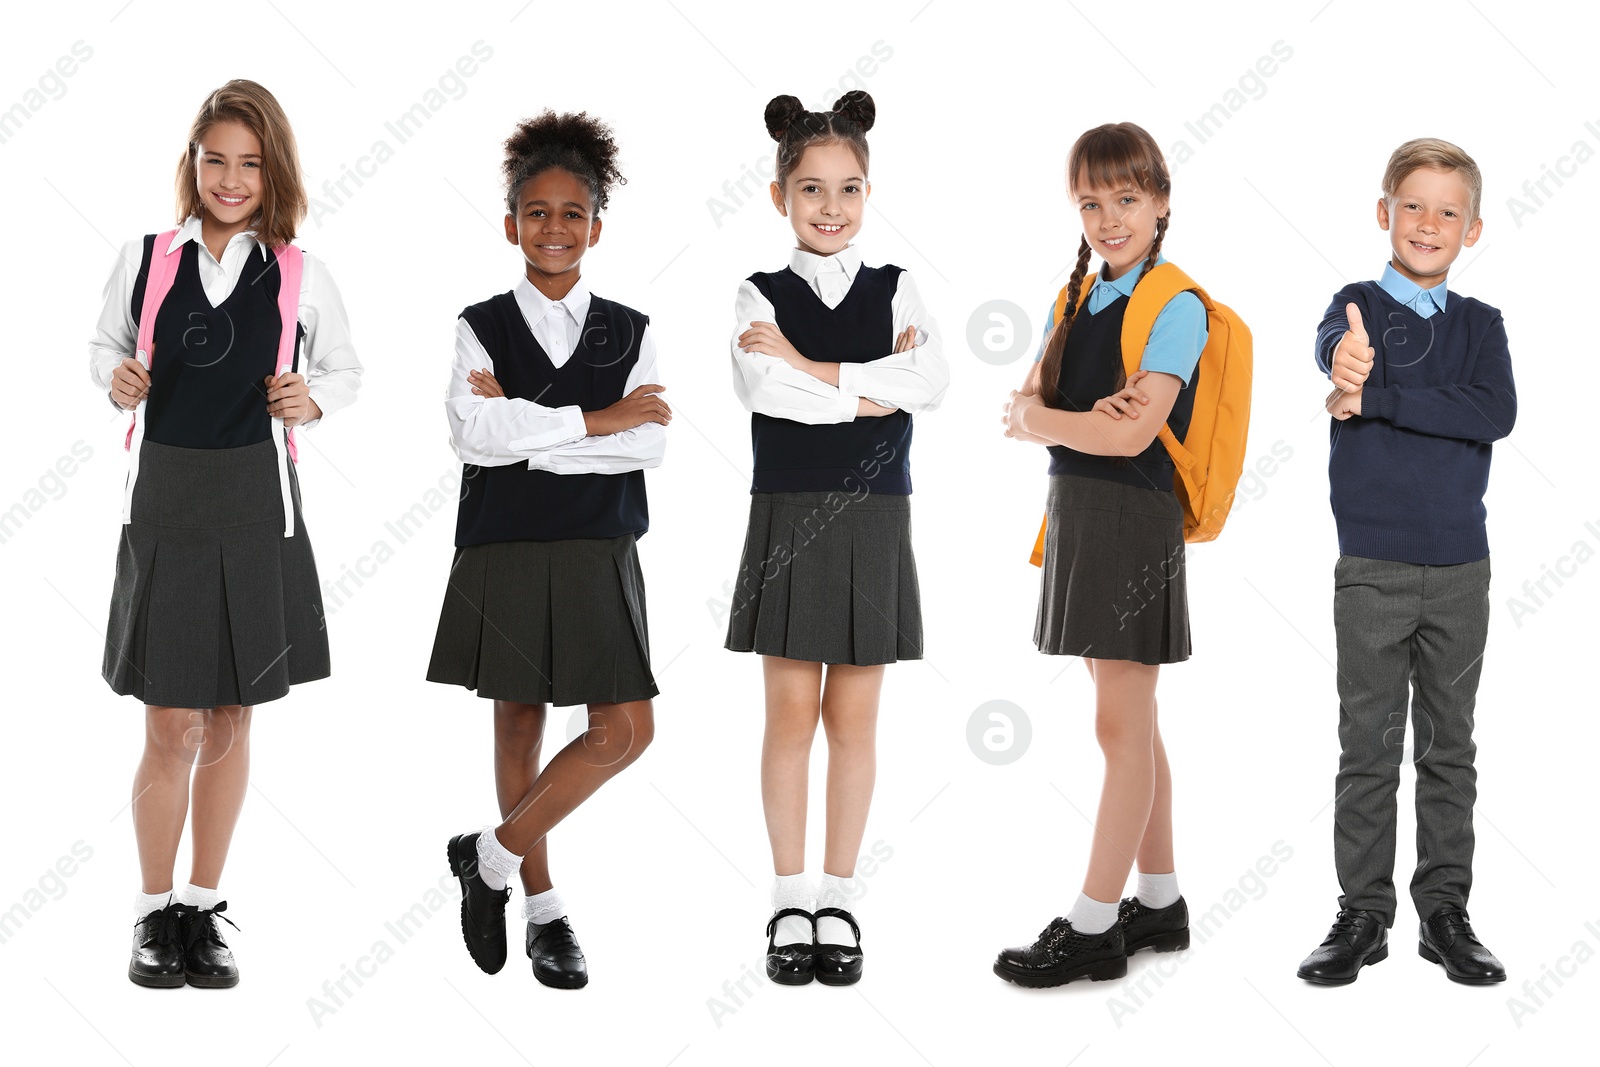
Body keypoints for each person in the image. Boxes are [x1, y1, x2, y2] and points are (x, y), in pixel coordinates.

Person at [90, 79, 361, 988]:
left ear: (272, 171)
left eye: (250, 162)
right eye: (216, 159)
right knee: (170, 718)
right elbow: (104, 348)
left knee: (234, 714)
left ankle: (204, 908)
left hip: (256, 501)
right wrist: (119, 377)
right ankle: (150, 911)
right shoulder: (145, 258)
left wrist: (312, 398)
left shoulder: (297, 270)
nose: (231, 177)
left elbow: (344, 369)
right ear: (193, 163)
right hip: (164, 496)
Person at [431, 110, 667, 990]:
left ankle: (487, 857)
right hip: (507, 545)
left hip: (601, 545)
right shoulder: (479, 324)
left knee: (626, 729)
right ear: (510, 223)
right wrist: (598, 420)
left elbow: (650, 446)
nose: (555, 228)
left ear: (597, 225)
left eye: (573, 213)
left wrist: (525, 430)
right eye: (537, 212)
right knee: (520, 720)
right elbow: (471, 433)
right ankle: (542, 907)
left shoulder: (632, 327)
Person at [728, 90, 946, 986]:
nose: (830, 206)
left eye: (848, 188)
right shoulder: (755, 291)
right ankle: (787, 897)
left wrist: (811, 368)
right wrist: (866, 393)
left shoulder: (898, 285)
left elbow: (930, 379)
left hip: (873, 514)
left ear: (868, 191)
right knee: (790, 716)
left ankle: (840, 897)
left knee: (855, 721)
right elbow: (760, 391)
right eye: (811, 188)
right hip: (787, 508)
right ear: (780, 194)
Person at [1297, 137, 1514, 987]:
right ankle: (1362, 912)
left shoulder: (1482, 327)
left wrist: (1378, 397)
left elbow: (1492, 411)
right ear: (1383, 212)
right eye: (1412, 205)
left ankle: (1445, 911)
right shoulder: (1355, 307)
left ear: (1473, 228)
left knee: (1448, 746)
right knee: (1367, 745)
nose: (1428, 223)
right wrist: (1342, 363)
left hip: (1461, 569)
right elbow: (1332, 351)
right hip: (1372, 569)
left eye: (1447, 211)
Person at [995, 122, 1207, 986]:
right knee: (1134, 720)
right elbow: (1045, 402)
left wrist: (1044, 423)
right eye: (1091, 201)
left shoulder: (1176, 305)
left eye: (1126, 198)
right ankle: (1157, 902)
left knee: (1119, 724)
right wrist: (1063, 421)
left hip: (1129, 515)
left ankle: (1091, 925)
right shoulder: (1076, 296)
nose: (1109, 217)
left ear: (1160, 201)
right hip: (1081, 513)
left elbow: (1130, 434)